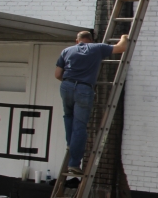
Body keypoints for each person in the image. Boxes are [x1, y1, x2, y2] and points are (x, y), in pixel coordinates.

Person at [54, 30, 129, 175]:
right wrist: (124, 37)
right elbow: (122, 47)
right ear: (91, 40)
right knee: (80, 126)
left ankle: (71, 144)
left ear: (78, 41)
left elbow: (57, 74)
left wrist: (70, 83)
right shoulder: (97, 48)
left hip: (66, 86)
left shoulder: (67, 51)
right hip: (84, 88)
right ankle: (74, 164)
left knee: (68, 116)